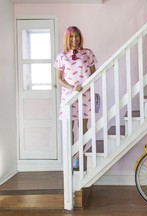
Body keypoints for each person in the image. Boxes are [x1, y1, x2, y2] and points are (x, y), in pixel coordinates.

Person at [54, 26, 97, 169]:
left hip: (85, 96)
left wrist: (85, 84)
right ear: (67, 38)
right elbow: (59, 79)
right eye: (71, 37)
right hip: (69, 97)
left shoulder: (88, 53)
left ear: (80, 37)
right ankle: (70, 156)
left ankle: (79, 155)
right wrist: (72, 88)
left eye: (77, 36)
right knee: (69, 128)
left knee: (83, 127)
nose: (74, 39)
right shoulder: (61, 56)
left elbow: (94, 74)